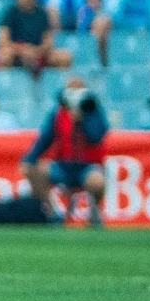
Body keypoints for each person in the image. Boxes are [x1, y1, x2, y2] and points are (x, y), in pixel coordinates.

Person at [24, 79, 111, 225]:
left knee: (97, 182)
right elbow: (45, 138)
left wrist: (83, 118)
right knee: (32, 170)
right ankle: (52, 213)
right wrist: (30, 159)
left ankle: (94, 213)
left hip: (87, 166)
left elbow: (96, 137)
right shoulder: (58, 113)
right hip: (63, 165)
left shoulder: (94, 111)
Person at [0, 0, 68, 79]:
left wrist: (36, 51)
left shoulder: (42, 13)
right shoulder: (10, 13)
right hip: (17, 53)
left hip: (38, 53)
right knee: (5, 56)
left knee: (65, 57)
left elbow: (48, 41)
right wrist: (23, 49)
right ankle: (7, 86)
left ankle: (56, 87)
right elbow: (3, 41)